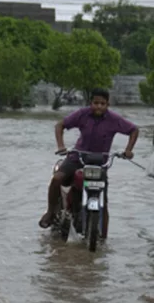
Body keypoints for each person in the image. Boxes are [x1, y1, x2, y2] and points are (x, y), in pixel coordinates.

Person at [38, 88, 138, 238]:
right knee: (57, 179)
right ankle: (50, 213)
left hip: (99, 164)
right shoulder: (82, 114)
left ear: (107, 104)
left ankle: (103, 238)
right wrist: (61, 146)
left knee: (103, 200)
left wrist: (128, 150)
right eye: (96, 103)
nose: (99, 106)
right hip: (76, 158)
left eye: (102, 103)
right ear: (90, 103)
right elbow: (60, 125)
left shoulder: (114, 119)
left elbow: (134, 130)